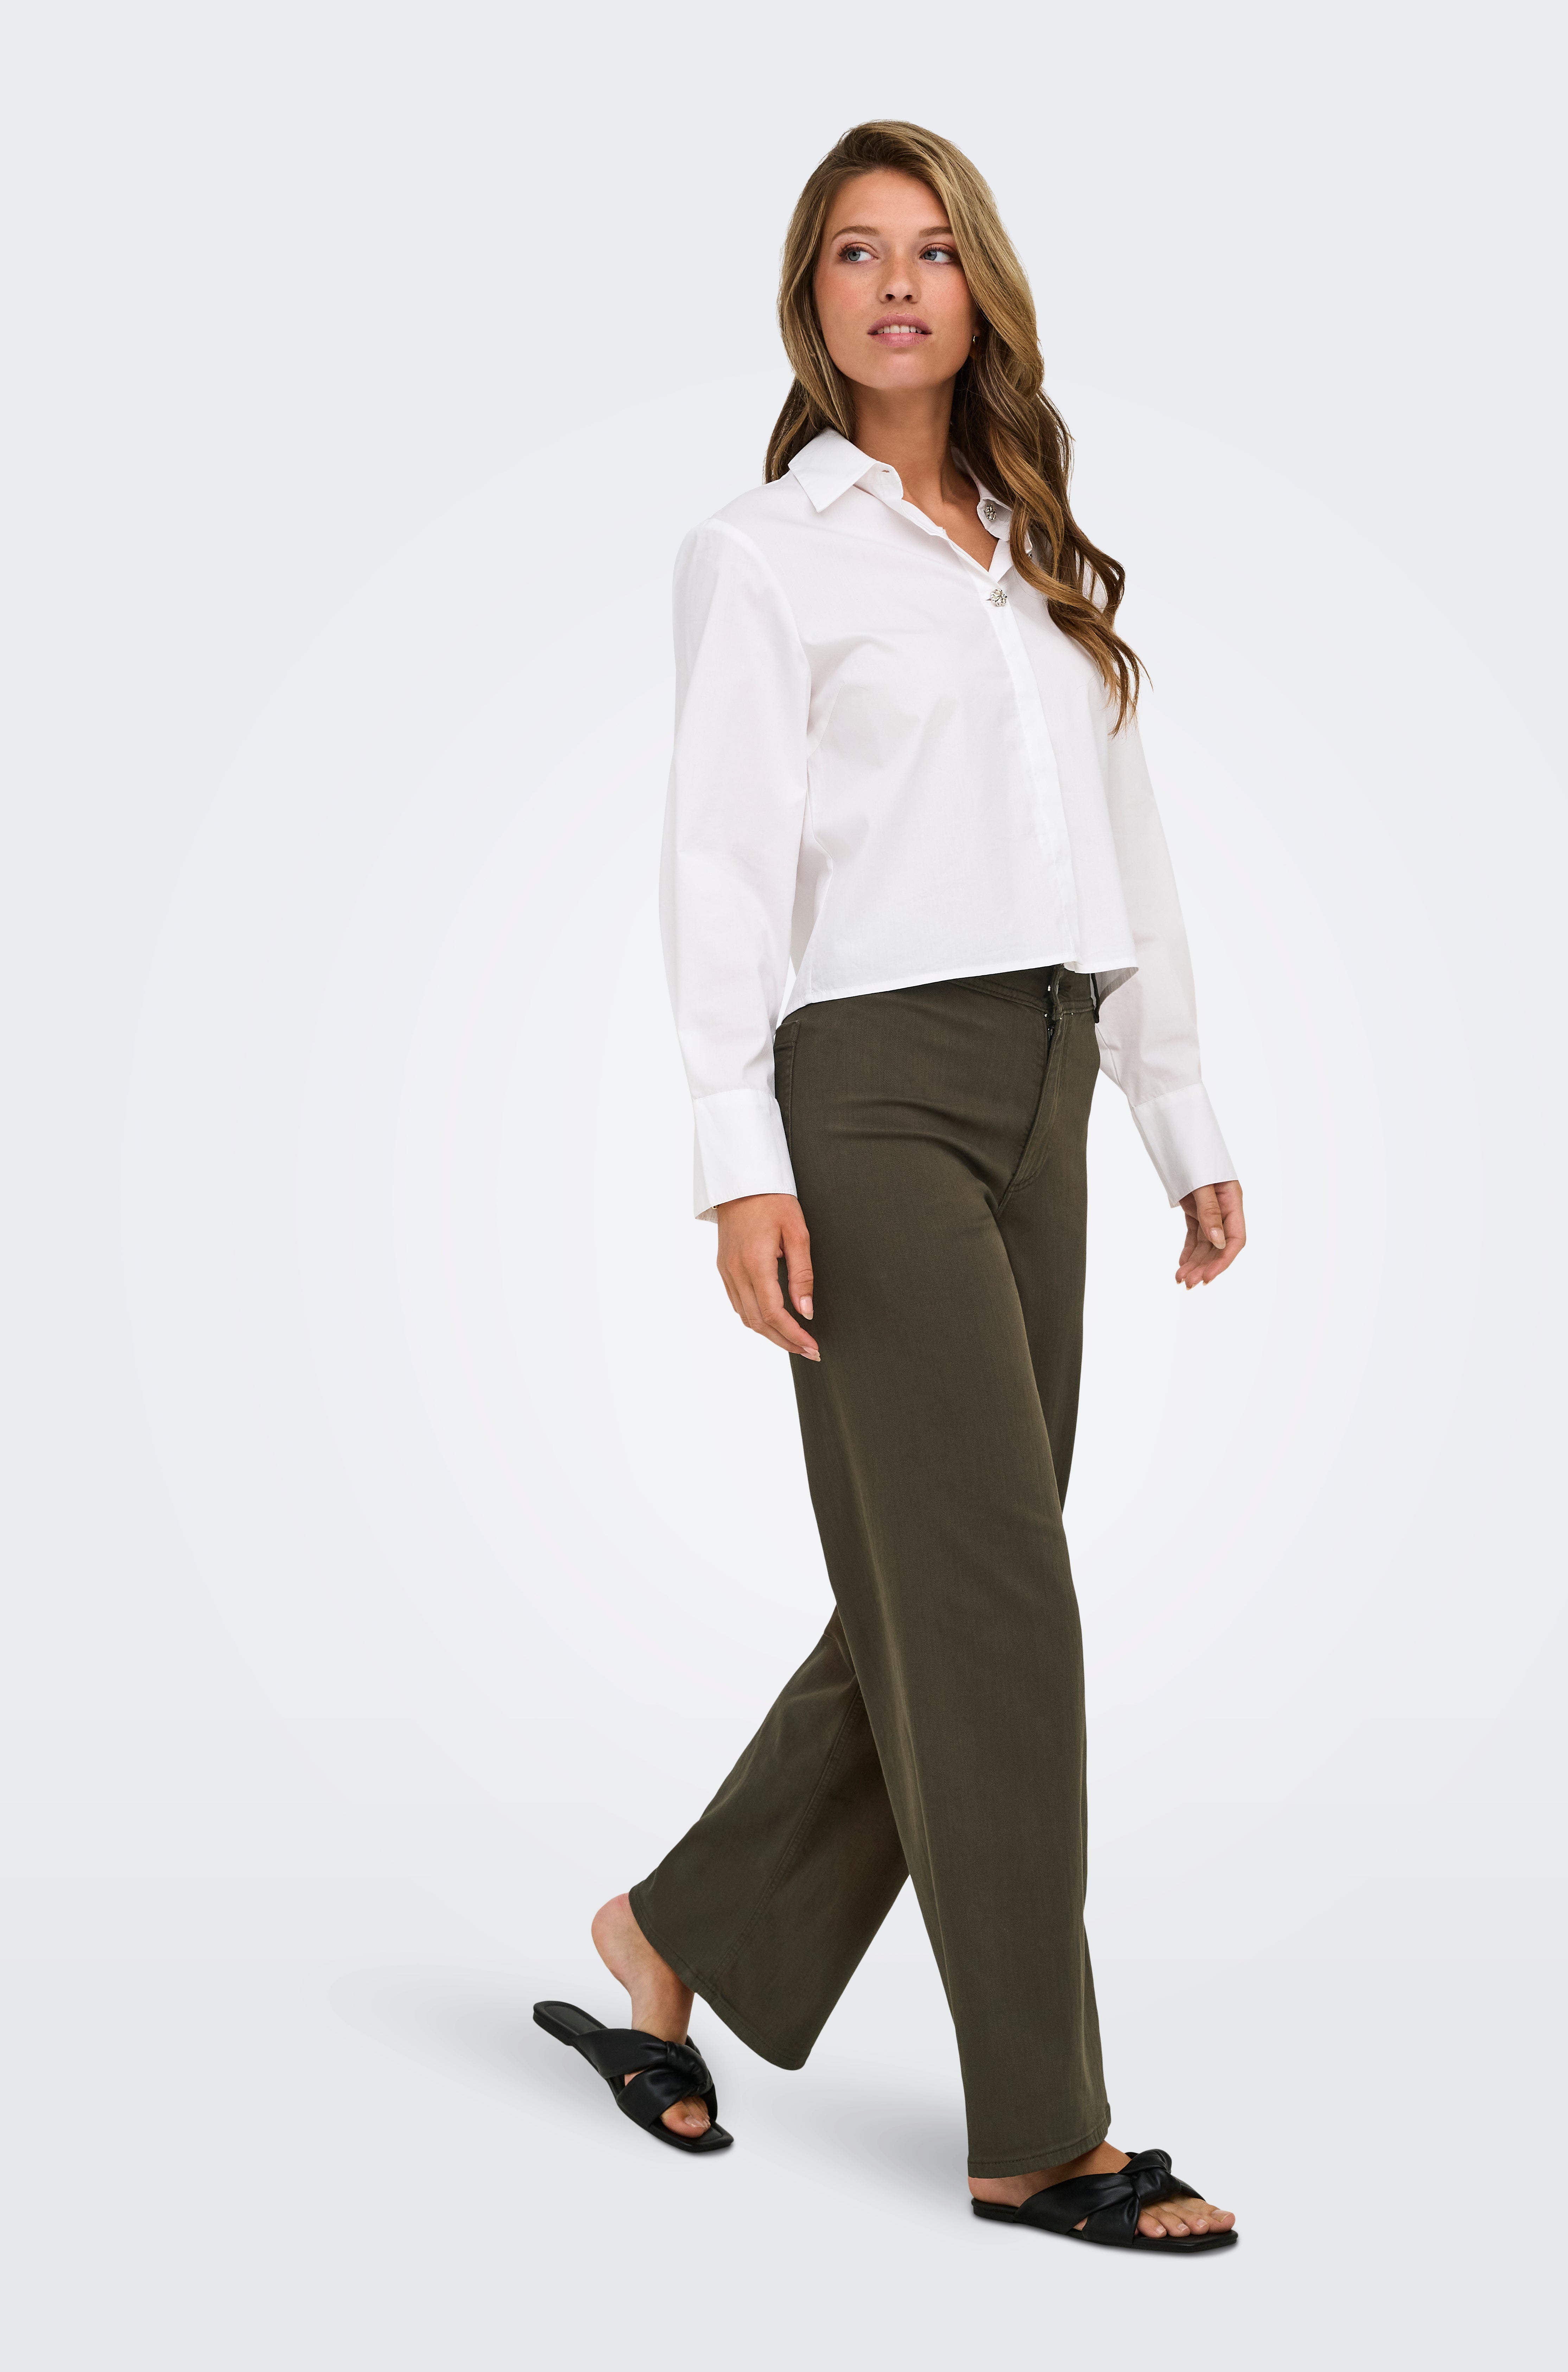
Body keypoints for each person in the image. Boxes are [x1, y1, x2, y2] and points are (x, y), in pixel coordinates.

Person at [535, 120, 1244, 2253]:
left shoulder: (1040, 556)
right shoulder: (763, 556)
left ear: (981, 287)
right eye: (856, 252)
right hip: (869, 1099)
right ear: (811, 298)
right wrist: (733, 1161)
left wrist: (1180, 1116)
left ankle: (672, 1930)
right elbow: (721, 873)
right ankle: (1042, 2128)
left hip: (1049, 1081)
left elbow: (1129, 859)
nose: (898, 283)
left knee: (948, 1585)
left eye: (932, 249)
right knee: (997, 1603)